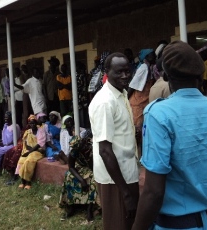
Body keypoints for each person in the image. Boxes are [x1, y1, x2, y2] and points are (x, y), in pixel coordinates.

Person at [132, 40, 207, 230]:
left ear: (166, 76)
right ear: (199, 75)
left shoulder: (158, 114)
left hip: (176, 225)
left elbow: (153, 192)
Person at [88, 52, 140, 230]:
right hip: (115, 180)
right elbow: (104, 150)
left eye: (127, 71)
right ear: (106, 72)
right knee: (119, 224)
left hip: (127, 171)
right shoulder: (105, 102)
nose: (125, 76)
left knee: (130, 223)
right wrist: (125, 192)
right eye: (119, 72)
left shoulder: (122, 93)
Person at [59, 130, 98, 222]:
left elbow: (94, 166)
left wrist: (89, 156)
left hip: (93, 168)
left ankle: (89, 209)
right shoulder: (75, 150)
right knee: (69, 177)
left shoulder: (92, 148)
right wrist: (81, 180)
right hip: (80, 167)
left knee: (93, 178)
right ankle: (71, 207)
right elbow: (71, 167)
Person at [128, 49, 156, 159]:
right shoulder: (143, 68)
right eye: (151, 55)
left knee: (143, 130)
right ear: (146, 57)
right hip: (138, 102)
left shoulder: (149, 67)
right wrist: (125, 98)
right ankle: (136, 155)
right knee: (138, 131)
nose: (154, 57)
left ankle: (143, 155)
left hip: (144, 101)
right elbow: (133, 85)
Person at [16, 114, 46, 190]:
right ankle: (22, 181)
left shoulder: (41, 131)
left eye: (33, 123)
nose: (32, 125)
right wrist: (28, 151)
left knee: (29, 161)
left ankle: (28, 182)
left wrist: (29, 151)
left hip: (38, 151)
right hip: (29, 150)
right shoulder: (27, 132)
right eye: (30, 123)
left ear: (36, 123)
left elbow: (39, 144)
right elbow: (26, 143)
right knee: (22, 160)